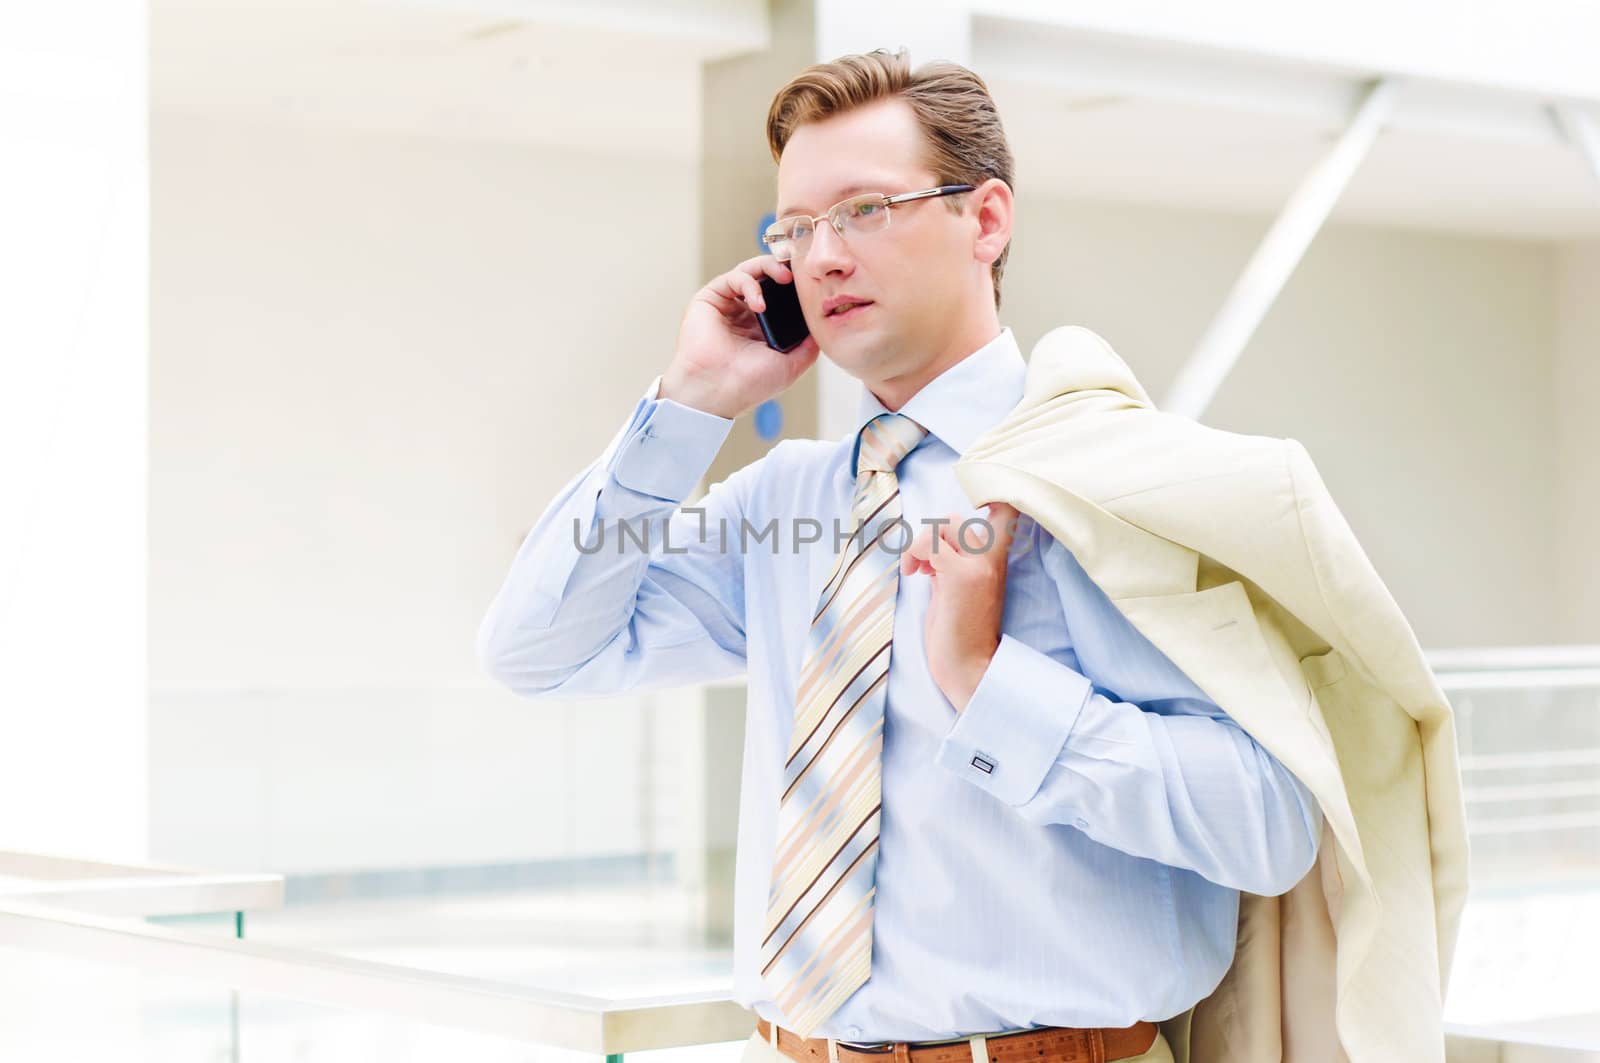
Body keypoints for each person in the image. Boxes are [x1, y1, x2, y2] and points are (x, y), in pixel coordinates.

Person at [476, 47, 1322, 1063]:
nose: (821, 256)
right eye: (795, 227)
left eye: (865, 210)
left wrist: (986, 684)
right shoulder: (786, 503)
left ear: (987, 220)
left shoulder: (1120, 484)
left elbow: (1270, 828)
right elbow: (537, 649)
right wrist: (689, 403)